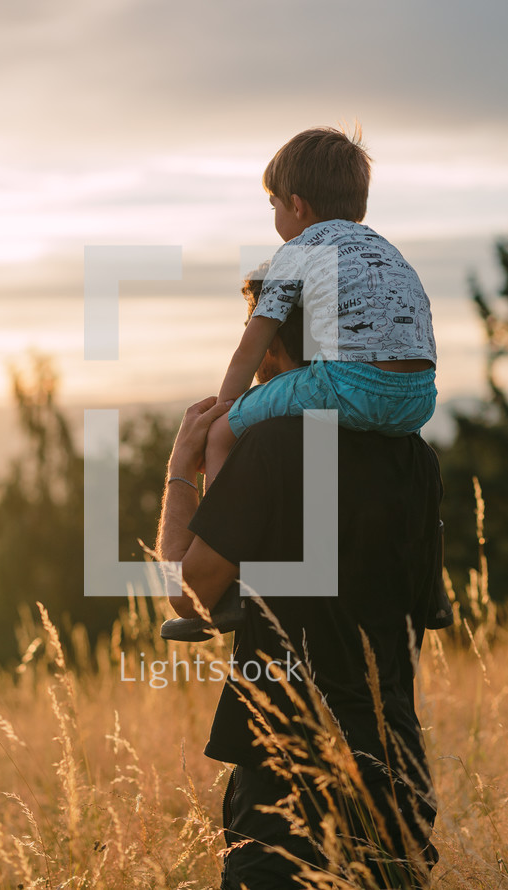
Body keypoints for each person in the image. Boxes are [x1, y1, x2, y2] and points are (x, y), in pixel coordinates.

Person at [156, 303, 444, 888]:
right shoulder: (416, 457)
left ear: (270, 348)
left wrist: (182, 469)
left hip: (286, 768)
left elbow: (189, 596)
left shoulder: (272, 447)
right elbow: (422, 612)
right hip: (394, 759)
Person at [205, 126, 438, 488]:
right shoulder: (385, 248)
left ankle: (214, 531)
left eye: (274, 205)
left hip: (350, 386)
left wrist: (225, 410)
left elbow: (251, 347)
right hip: (419, 400)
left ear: (296, 206)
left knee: (221, 435)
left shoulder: (298, 249)